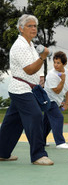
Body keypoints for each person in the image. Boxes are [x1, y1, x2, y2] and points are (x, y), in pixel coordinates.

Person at [0, 14, 54, 165]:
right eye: (30, 26)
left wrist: (40, 77)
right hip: (21, 89)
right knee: (36, 115)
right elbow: (29, 70)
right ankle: (38, 155)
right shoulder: (20, 46)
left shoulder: (29, 45)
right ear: (21, 28)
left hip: (27, 88)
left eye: (35, 26)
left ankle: (2, 152)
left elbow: (33, 69)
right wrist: (43, 57)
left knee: (12, 122)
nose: (33, 28)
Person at [43, 51, 68, 149]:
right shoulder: (51, 75)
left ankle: (40, 140)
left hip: (57, 101)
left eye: (58, 63)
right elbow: (56, 91)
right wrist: (62, 80)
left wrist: (67, 103)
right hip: (48, 100)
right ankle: (60, 142)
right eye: (54, 62)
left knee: (47, 123)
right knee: (58, 118)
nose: (55, 65)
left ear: (64, 64)